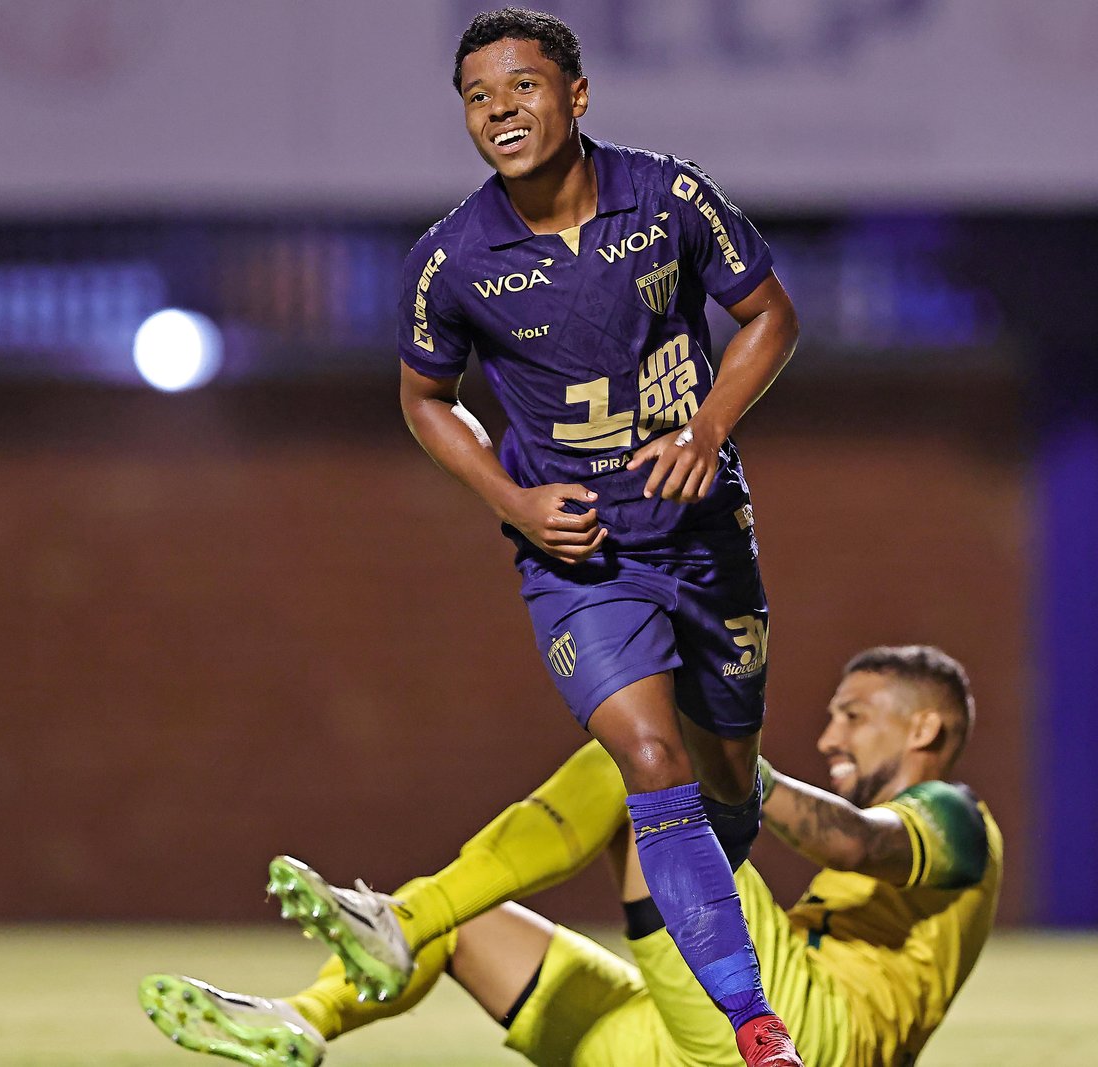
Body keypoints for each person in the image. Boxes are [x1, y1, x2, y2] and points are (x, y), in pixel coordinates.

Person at [390, 8, 802, 1061]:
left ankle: (690, 962)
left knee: (725, 775)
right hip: (580, 560)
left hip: (703, 533)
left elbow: (771, 316)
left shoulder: (667, 194)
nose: (498, 113)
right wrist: (512, 500)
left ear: (576, 95)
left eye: (520, 88)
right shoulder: (453, 257)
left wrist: (709, 428)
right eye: (477, 99)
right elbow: (427, 398)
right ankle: (756, 1025)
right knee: (648, 753)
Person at [139, 646, 1004, 1067]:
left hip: (810, 1039)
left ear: (924, 726)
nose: (830, 734)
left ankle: (403, 918)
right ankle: (304, 1018)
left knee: (645, 760)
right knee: (472, 922)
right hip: (698, 1039)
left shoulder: (957, 819)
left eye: (853, 713)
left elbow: (855, 839)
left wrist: (736, 766)